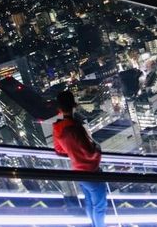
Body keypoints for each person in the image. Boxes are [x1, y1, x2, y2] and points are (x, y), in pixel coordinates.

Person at [53, 90, 107, 227]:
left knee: (89, 202)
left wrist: (72, 152)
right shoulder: (76, 127)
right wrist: (98, 150)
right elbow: (89, 153)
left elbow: (59, 150)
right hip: (91, 172)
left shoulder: (58, 127)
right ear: (74, 105)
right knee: (99, 205)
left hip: (77, 171)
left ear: (59, 109)